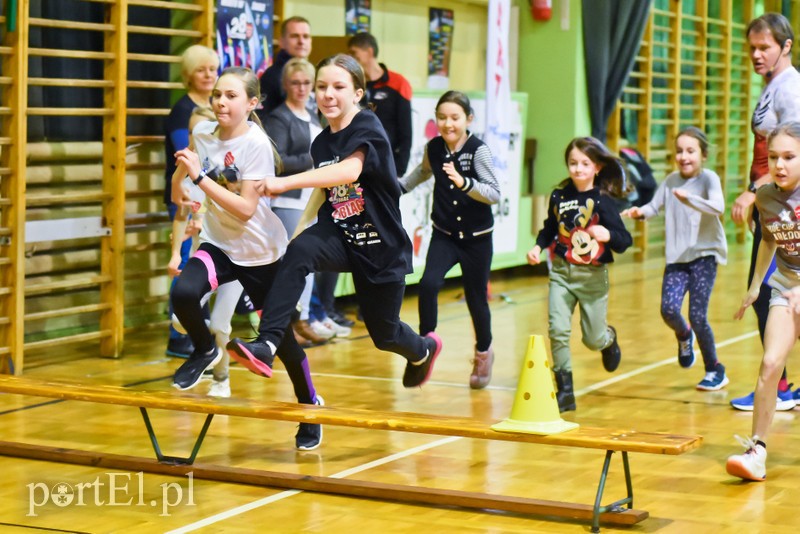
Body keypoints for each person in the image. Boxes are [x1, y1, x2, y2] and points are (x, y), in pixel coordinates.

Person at [227, 54, 442, 389]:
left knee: (384, 334)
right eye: (321, 86)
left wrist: (284, 182)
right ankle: (267, 344)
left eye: (338, 87)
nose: (327, 94)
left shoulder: (368, 126)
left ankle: (422, 350)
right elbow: (324, 187)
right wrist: (296, 236)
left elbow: (349, 171)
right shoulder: (322, 141)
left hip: (379, 245)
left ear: (357, 93)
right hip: (340, 233)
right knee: (299, 252)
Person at [169, 66, 323, 451]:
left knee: (281, 339)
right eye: (217, 94)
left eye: (231, 96)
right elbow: (186, 176)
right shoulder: (203, 133)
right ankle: (206, 349)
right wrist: (180, 184)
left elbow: (244, 210)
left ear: (252, 103)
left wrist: (201, 180)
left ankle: (309, 405)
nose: (221, 101)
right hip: (218, 244)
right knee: (184, 293)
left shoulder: (255, 143)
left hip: (260, 253)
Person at [399, 91, 499, 389]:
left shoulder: (478, 151)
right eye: (441, 117)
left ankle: (484, 352)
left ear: (468, 119)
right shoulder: (434, 148)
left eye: (454, 118)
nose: (447, 123)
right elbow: (421, 172)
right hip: (444, 235)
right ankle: (426, 347)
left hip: (476, 240)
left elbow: (493, 193)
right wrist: (396, 188)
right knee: (428, 284)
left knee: (476, 298)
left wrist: (464, 182)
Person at [526, 137, 632, 412]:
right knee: (558, 330)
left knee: (592, 339)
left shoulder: (603, 201)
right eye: (573, 163)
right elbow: (550, 228)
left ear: (597, 167)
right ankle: (565, 391)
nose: (578, 169)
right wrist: (538, 246)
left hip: (593, 277)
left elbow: (624, 240)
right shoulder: (559, 196)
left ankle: (608, 339)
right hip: (561, 273)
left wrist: (607, 233)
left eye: (585, 163)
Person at [622, 127, 728, 391]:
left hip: (704, 255)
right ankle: (684, 334)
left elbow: (718, 207)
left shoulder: (708, 179)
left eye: (690, 151)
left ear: (702, 154)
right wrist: (639, 212)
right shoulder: (670, 181)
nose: (684, 156)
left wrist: (690, 198)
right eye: (679, 151)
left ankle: (715, 370)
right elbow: (653, 206)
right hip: (677, 257)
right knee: (668, 309)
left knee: (697, 314)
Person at [730, 13, 800, 411]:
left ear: (785, 46)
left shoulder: (790, 89)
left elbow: (792, 152)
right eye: (752, 48)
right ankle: (784, 383)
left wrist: (754, 190)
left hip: (783, 203)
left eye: (765, 48)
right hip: (772, 204)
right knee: (767, 294)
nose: (756, 55)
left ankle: (782, 385)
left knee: (775, 296)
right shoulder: (772, 85)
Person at [726, 121, 800, 481]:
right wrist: (756, 285)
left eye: (789, 157)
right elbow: (770, 240)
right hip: (786, 285)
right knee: (770, 364)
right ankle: (757, 450)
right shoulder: (767, 196)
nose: (780, 165)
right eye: (773, 157)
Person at [267, 58, 348, 342]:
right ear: (286, 85)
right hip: (289, 201)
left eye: (306, 83)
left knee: (310, 263)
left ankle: (302, 319)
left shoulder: (314, 115)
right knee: (294, 262)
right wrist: (315, 162)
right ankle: (287, 323)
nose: (301, 88)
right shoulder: (280, 118)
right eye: (295, 83)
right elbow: (277, 162)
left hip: (313, 199)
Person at [163, 45, 219, 359]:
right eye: (201, 70)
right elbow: (185, 153)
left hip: (210, 196)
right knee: (185, 265)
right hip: (186, 195)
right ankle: (178, 335)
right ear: (188, 75)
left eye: (212, 69)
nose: (209, 75)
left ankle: (202, 328)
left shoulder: (215, 104)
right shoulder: (182, 111)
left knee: (206, 268)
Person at [348, 32, 413, 177]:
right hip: (357, 163)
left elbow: (406, 131)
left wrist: (399, 169)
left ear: (369, 51)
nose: (351, 58)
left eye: (354, 52)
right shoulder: (353, 84)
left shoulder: (398, 83)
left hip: (389, 163)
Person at [260, 16, 312, 116]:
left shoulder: (313, 72)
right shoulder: (272, 77)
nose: (301, 41)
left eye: (306, 36)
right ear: (281, 42)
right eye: (295, 36)